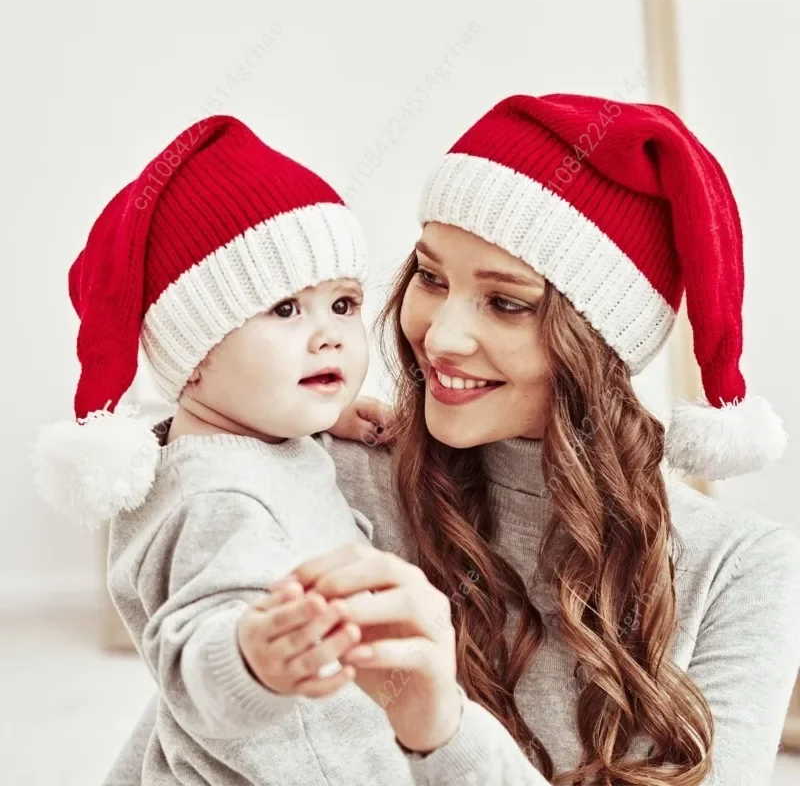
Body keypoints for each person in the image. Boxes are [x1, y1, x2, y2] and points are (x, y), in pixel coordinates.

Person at [103, 94, 800, 785]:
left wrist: (442, 732)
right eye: (431, 278)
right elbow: (185, 738)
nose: (440, 335)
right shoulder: (322, 473)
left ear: (600, 342)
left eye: (506, 303)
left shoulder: (741, 571)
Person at [31, 115, 467, 786]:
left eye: (344, 304)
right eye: (286, 311)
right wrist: (246, 656)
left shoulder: (242, 441)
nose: (329, 337)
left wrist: (324, 419)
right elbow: (196, 646)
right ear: (195, 356)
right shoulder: (218, 501)